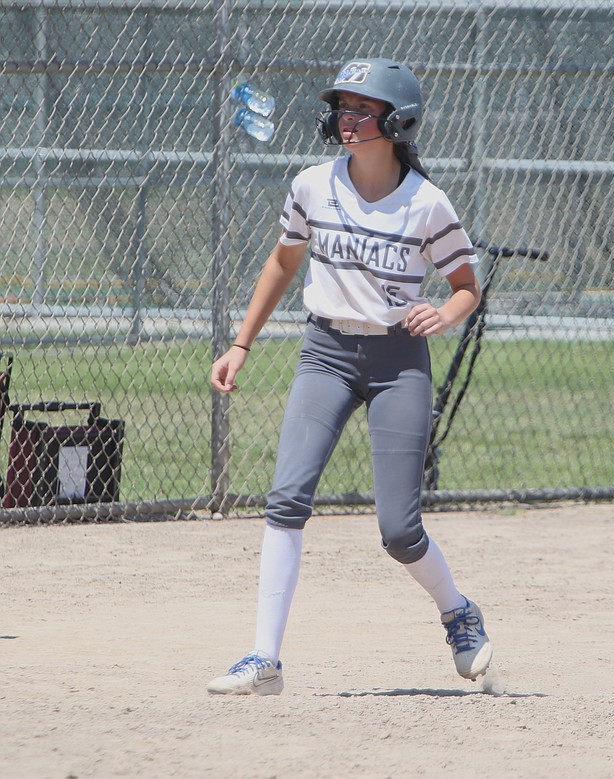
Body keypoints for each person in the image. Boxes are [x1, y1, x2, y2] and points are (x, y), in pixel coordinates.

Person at [206, 57, 491, 695]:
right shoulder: (312, 184)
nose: (346, 120)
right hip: (325, 353)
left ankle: (458, 611)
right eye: (342, 108)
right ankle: (263, 659)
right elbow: (281, 265)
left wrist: (443, 313)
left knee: (398, 529)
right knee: (286, 499)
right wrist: (240, 343)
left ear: (398, 121)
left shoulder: (427, 203)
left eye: (362, 110)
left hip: (397, 364)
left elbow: (466, 285)